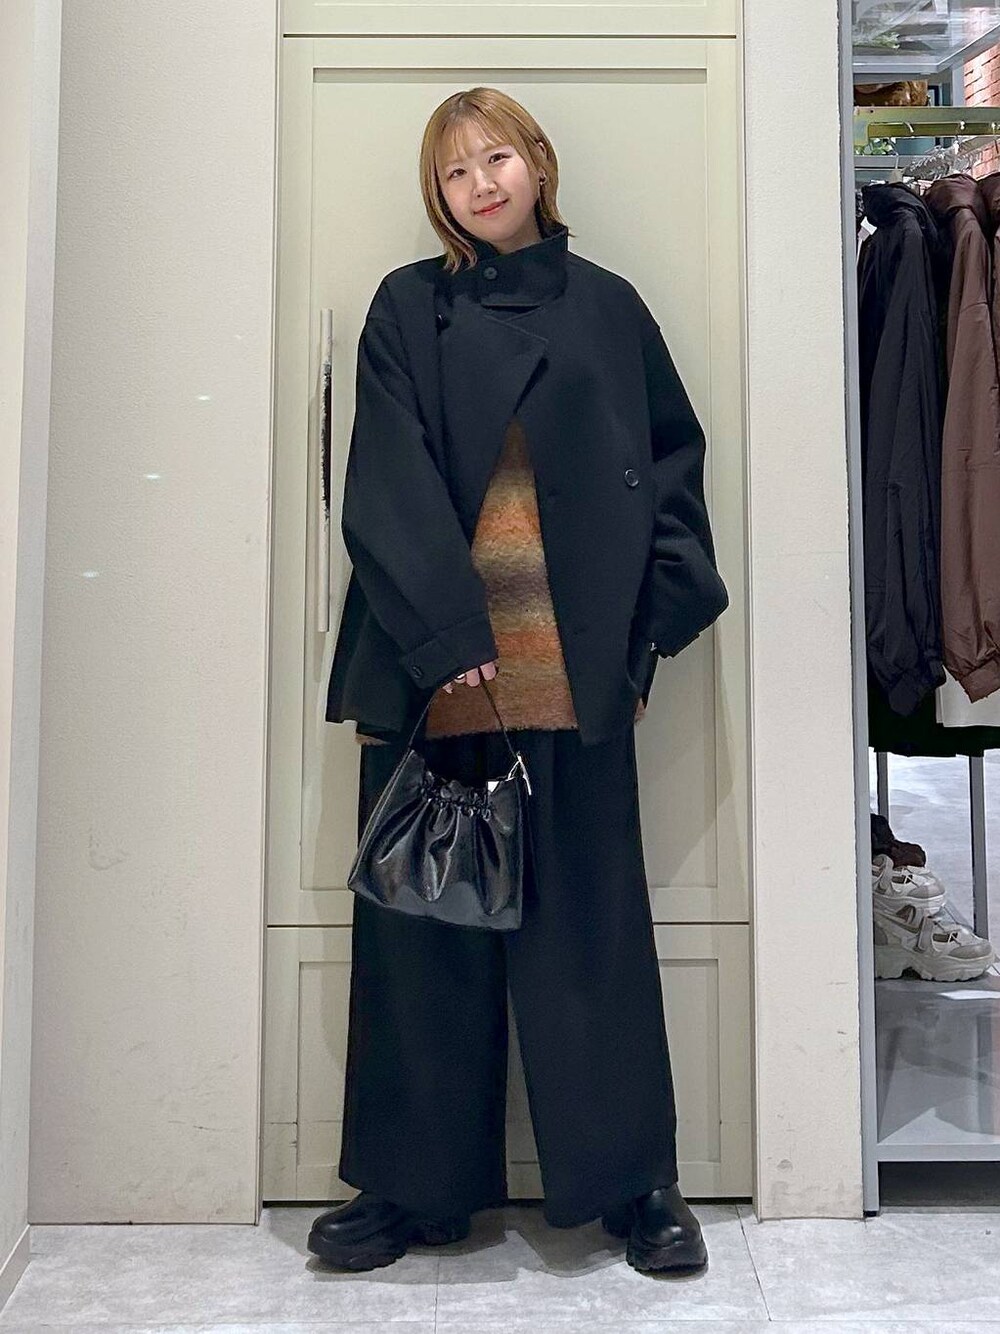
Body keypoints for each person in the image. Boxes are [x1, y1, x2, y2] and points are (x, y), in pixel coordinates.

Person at [309, 86, 728, 1277]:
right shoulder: (409, 306)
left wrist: (644, 643)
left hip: (574, 672)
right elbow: (383, 481)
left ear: (536, 163)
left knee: (591, 938)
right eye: (452, 172)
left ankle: (634, 1182)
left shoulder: (609, 307)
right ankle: (409, 1186)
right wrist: (447, 638)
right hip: (434, 668)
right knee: (417, 938)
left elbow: (672, 475)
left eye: (494, 157)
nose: (478, 184)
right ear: (436, 197)